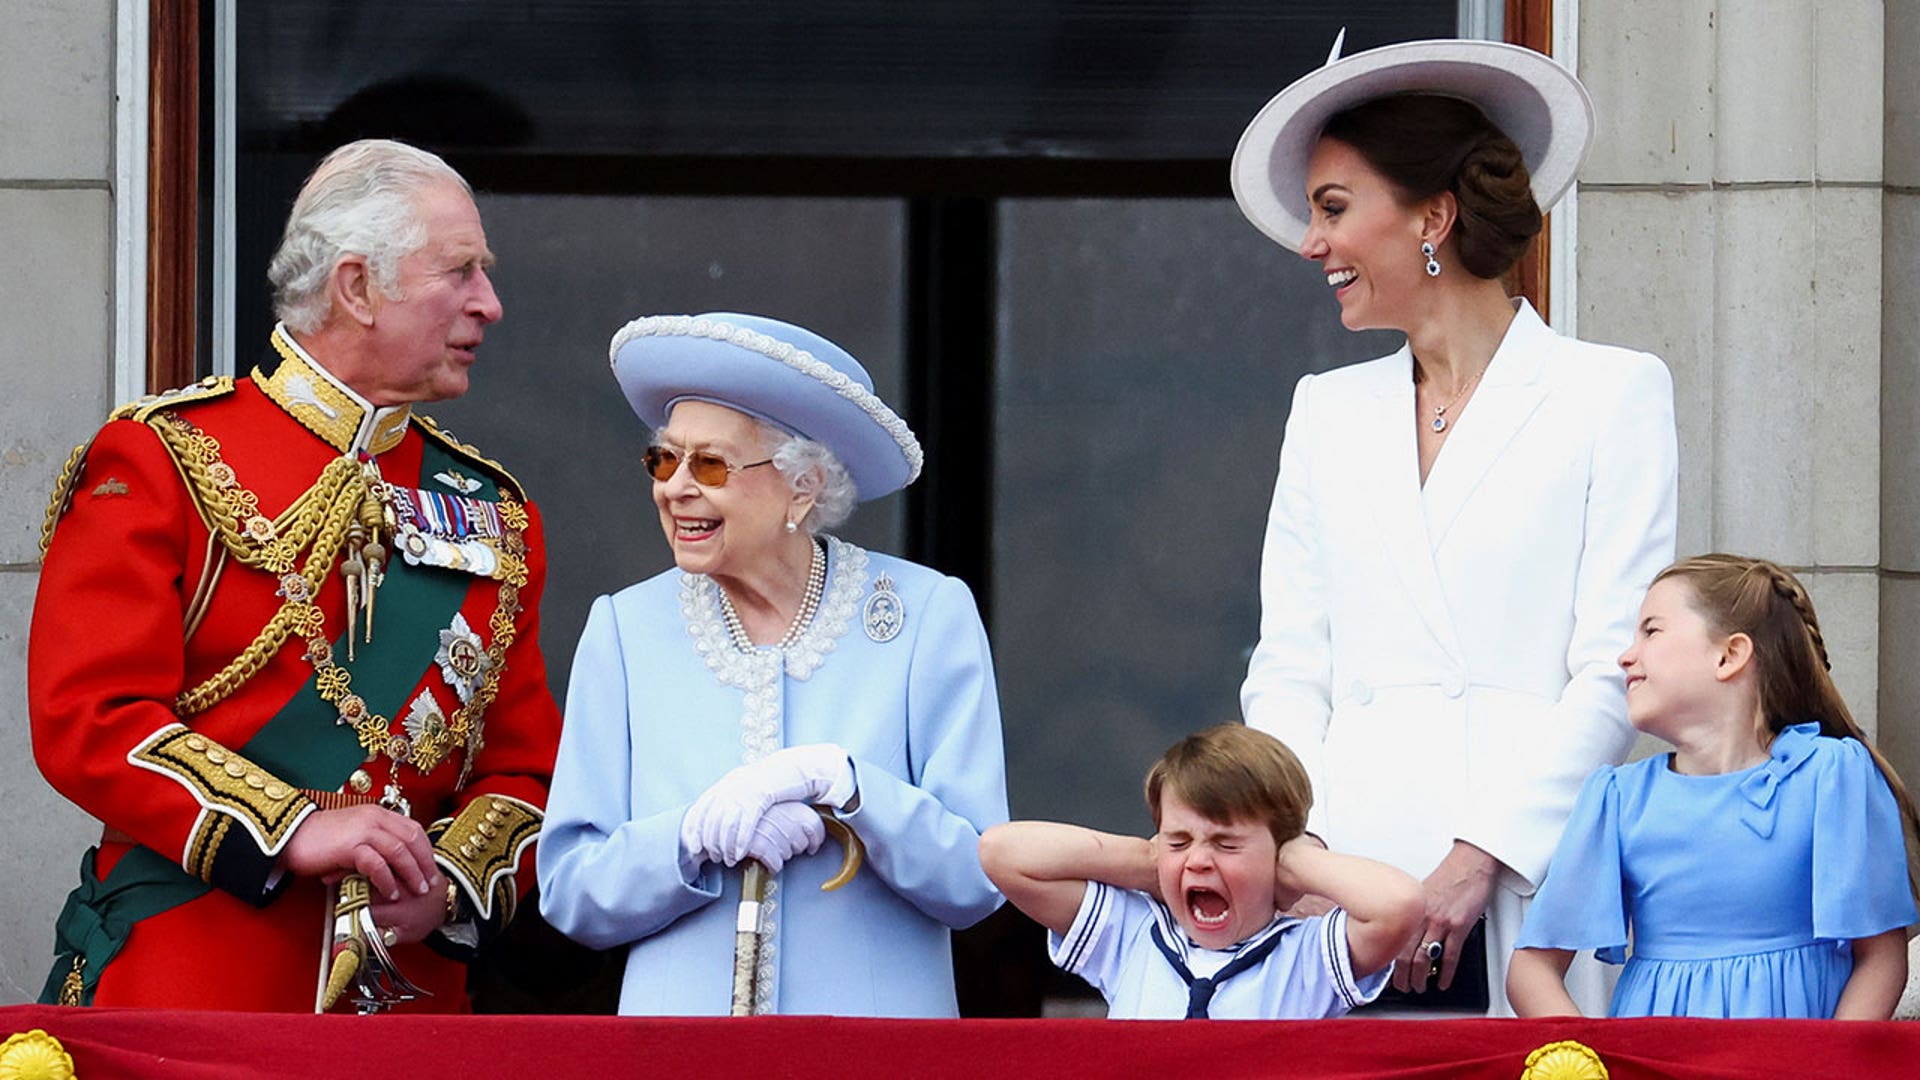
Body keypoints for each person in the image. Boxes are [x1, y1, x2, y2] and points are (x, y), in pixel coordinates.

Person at [29, 139, 562, 1011]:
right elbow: (89, 718)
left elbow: (529, 771)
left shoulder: (495, 510)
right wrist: (295, 830)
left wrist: (450, 887)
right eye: (461, 272)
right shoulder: (167, 457)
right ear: (358, 287)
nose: (490, 304)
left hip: (410, 1008)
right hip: (195, 991)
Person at [1229, 38, 1679, 1015]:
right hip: (1341, 899)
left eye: (1335, 209)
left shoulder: (1611, 394)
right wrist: (1302, 855)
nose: (1312, 244)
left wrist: (1483, 856)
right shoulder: (1325, 409)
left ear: (1433, 214)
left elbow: (1614, 665)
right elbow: (1290, 667)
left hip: (1528, 884)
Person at [537, 312, 1008, 1016]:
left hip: (874, 1057)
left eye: (711, 464)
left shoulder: (925, 616)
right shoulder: (625, 630)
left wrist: (851, 789)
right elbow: (571, 892)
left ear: (804, 486)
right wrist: (690, 836)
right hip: (679, 1058)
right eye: (665, 460)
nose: (675, 487)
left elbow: (976, 881)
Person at [1508, 555, 1919, 1018]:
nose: (1626, 655)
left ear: (1729, 655)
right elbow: (1531, 969)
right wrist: (1591, 1063)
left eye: (1651, 631)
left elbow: (1881, 959)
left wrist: (1829, 1064)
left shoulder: (1831, 775)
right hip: (1658, 1064)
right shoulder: (1619, 799)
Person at [979, 724, 1420, 1019]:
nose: (1199, 861)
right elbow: (1001, 853)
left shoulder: (1304, 958)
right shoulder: (1132, 936)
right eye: (1178, 841)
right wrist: (1147, 863)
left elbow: (1399, 905)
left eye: (1227, 844)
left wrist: (1293, 862)